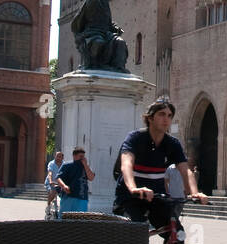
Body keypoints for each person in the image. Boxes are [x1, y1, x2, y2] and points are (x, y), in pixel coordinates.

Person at [113, 98, 208, 228]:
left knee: (176, 233)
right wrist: (133, 188)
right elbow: (126, 165)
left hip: (157, 197)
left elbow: (185, 170)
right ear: (150, 118)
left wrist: (195, 192)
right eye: (161, 114)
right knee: (136, 230)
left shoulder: (172, 144)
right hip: (130, 196)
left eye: (169, 116)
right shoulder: (135, 138)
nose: (166, 119)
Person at [56, 148, 95, 214]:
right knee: (65, 218)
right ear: (74, 156)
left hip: (82, 197)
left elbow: (91, 178)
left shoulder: (86, 167)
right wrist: (64, 186)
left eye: (83, 156)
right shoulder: (67, 165)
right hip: (68, 196)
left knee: (80, 220)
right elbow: (58, 178)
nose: (82, 158)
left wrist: (85, 165)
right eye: (80, 156)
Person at [45, 150, 65, 220]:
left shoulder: (64, 165)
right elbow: (50, 173)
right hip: (51, 182)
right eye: (57, 156)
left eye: (60, 156)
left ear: (62, 158)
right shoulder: (51, 163)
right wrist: (50, 181)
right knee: (53, 192)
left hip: (60, 183)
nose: (58, 158)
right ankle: (48, 206)